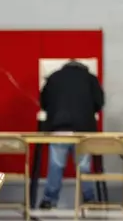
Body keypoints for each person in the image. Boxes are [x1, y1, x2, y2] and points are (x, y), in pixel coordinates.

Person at [39, 60, 104, 209]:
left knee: (56, 165)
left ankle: (49, 199)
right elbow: (99, 102)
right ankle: (89, 199)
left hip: (59, 128)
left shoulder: (54, 77)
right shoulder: (90, 78)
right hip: (83, 129)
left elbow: (43, 102)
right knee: (84, 166)